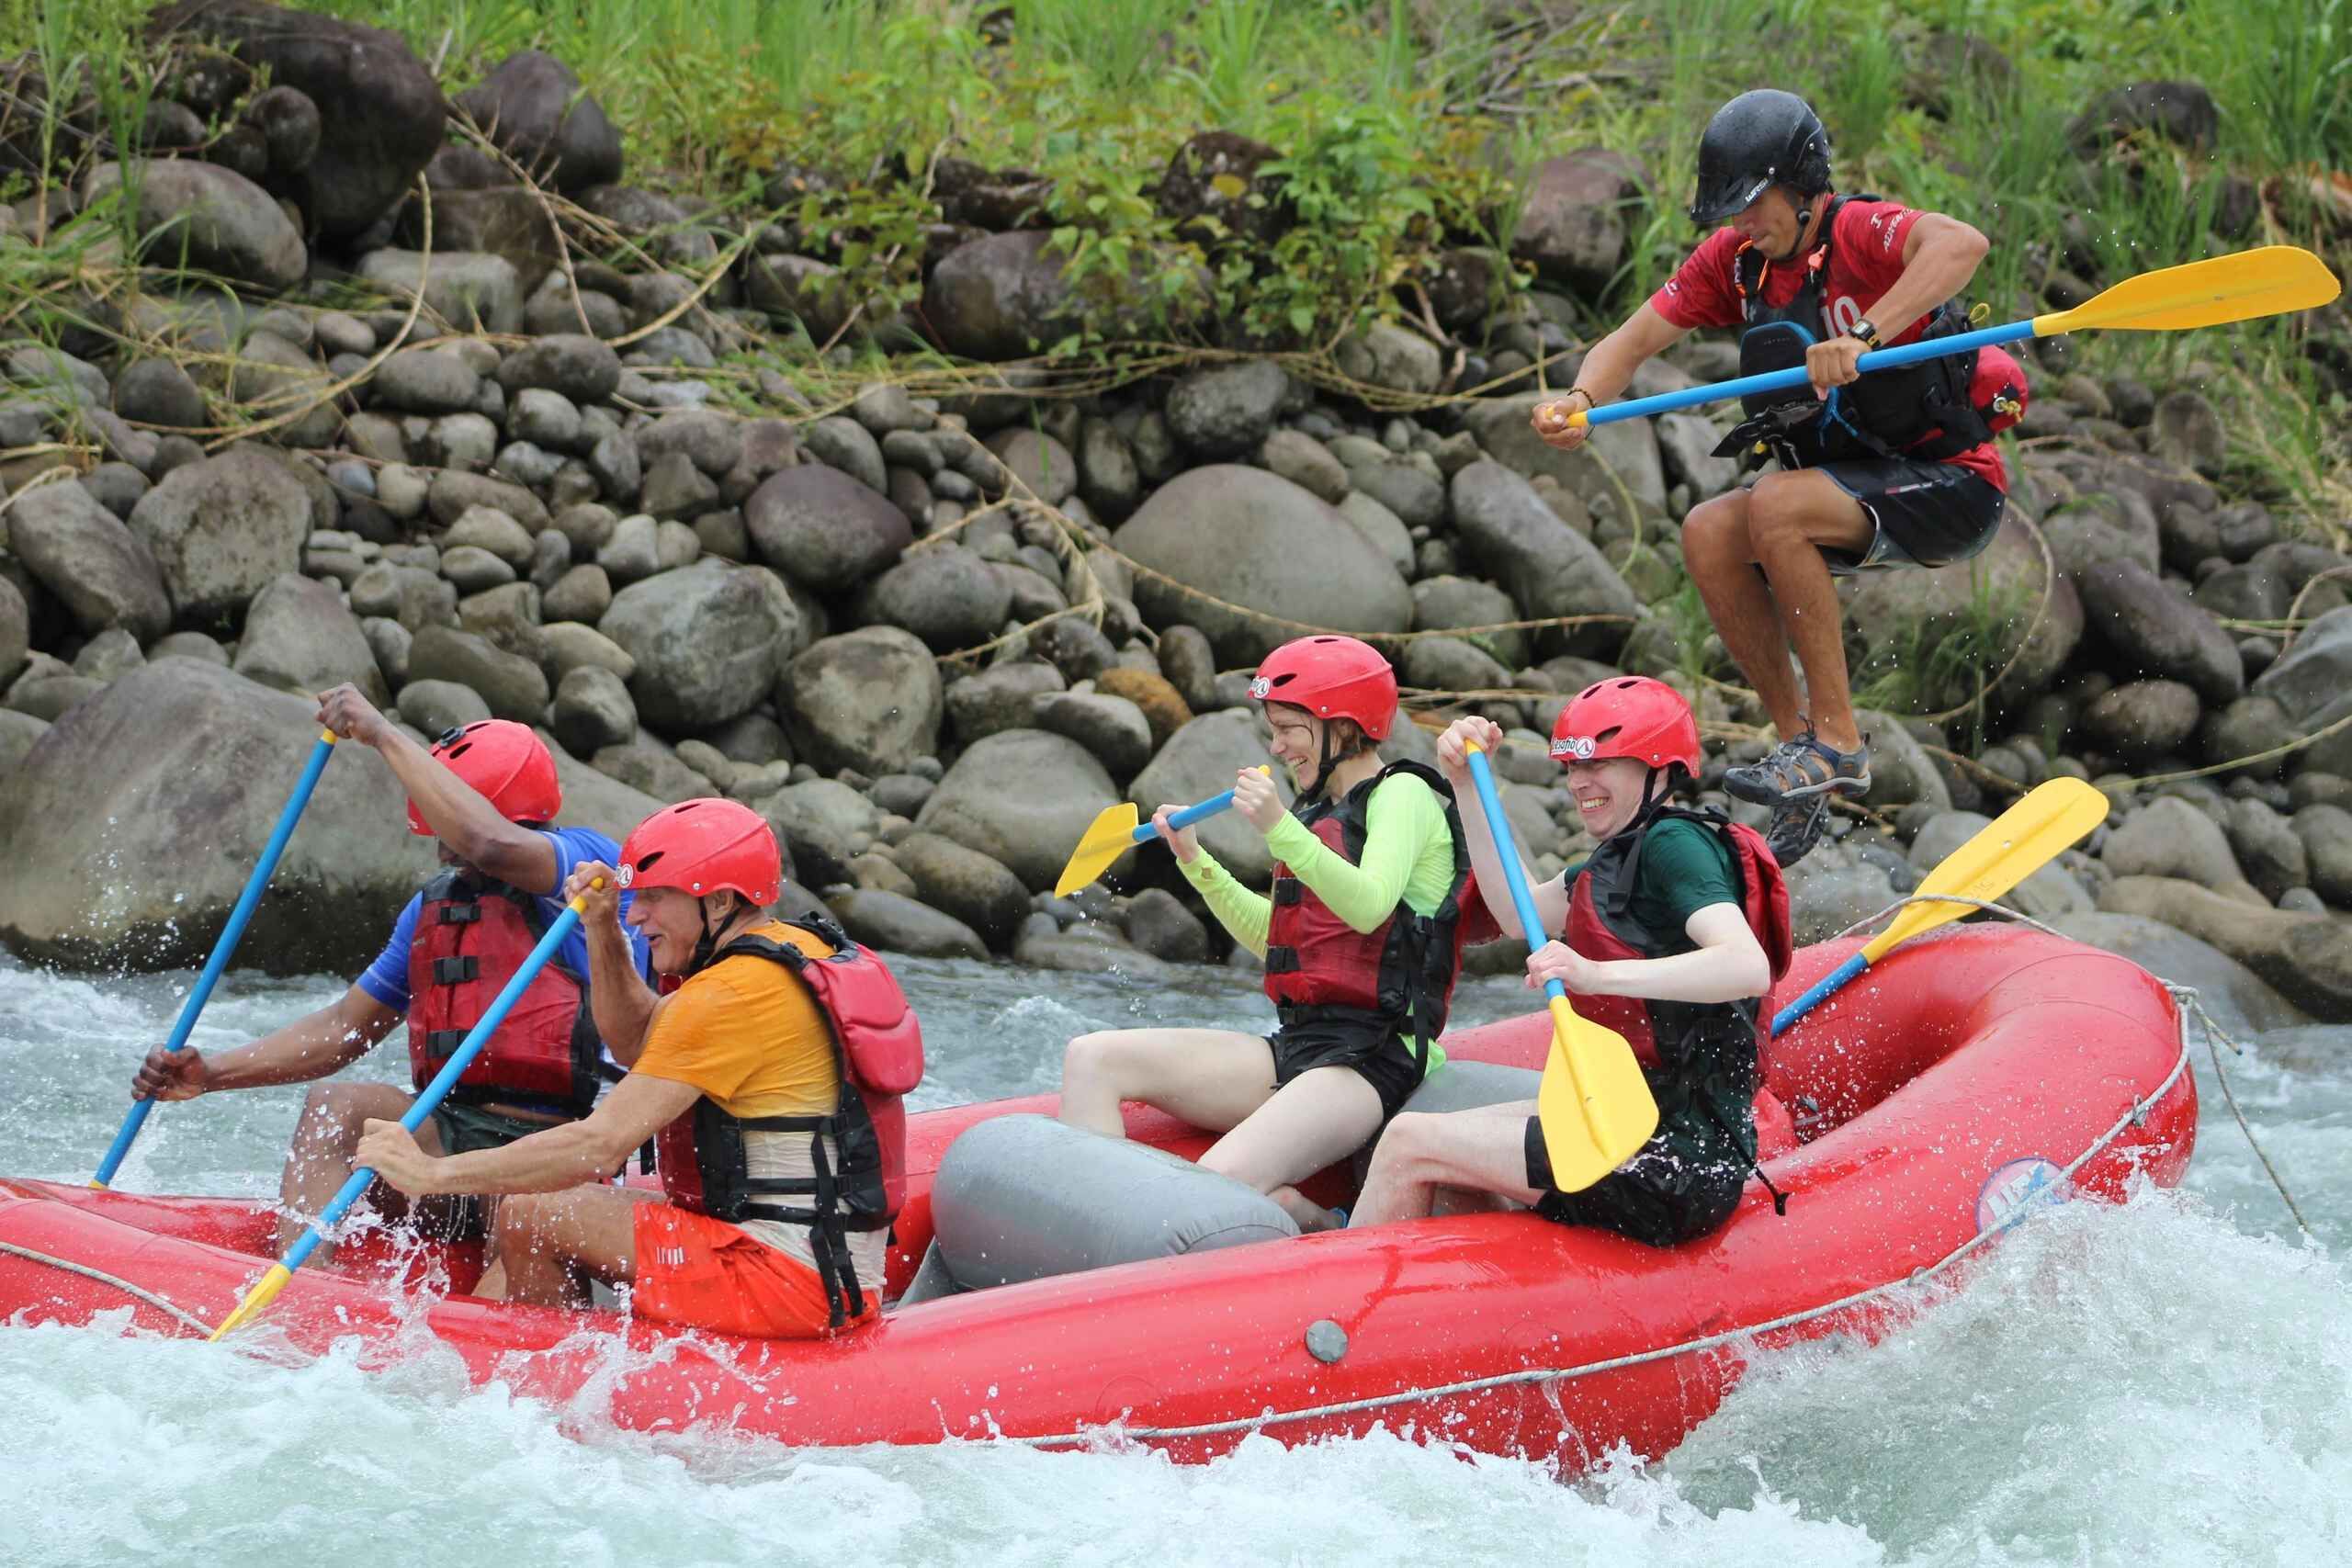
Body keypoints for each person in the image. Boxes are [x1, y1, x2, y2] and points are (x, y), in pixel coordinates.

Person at [1529, 88, 2028, 866]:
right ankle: (1802, 749)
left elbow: (1961, 244)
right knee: (1708, 531)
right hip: (1848, 487)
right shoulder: (1735, 265)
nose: (1741, 223)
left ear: (1804, 185)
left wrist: (1864, 332)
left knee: (1776, 503)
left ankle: (1839, 742)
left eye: (1753, 203)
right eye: (1731, 209)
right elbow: (1630, 342)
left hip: (1952, 485)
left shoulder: (1859, 231)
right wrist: (1581, 398)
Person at [357, 797, 919, 1339]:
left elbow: (598, 1147)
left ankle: (543, 1387)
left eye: (654, 897)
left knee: (535, 1214)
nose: (638, 914)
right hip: (826, 1264)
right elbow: (637, 1045)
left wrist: (433, 1173)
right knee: (540, 1213)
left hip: (784, 1278)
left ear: (718, 903)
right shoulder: (786, 953)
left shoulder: (729, 995)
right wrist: (602, 930)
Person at [129, 688, 648, 1261]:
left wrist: (380, 732)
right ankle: (299, 1291)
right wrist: (210, 1073)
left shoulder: (583, 868)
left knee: (528, 1221)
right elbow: (343, 1027)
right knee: (337, 1104)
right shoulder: (435, 907)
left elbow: (489, 843)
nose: (440, 850)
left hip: (556, 1154)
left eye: (442, 823)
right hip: (446, 1137)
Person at [1351, 676, 1792, 1247]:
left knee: (1409, 1141)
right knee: (1438, 1151)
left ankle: (1344, 1317)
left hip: (1675, 1160)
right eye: (1572, 768)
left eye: (1600, 765)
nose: (1580, 782)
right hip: (1630, 1125)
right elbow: (1517, 912)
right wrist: (1464, 786)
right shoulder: (1618, 861)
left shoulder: (1673, 846)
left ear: (1658, 769)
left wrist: (1595, 973)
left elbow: (1744, 965)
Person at [1056, 635, 1474, 1232]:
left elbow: (1369, 905)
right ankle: (1085, 1240)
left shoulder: (1402, 795)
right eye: (1273, 730)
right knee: (1091, 1058)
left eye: (1289, 729)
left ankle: (1318, 1227)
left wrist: (1277, 825)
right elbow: (1276, 937)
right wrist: (1196, 860)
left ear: (1343, 725)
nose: (1277, 747)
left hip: (1376, 1059)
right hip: (1300, 1046)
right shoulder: (1320, 812)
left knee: (1206, 1187)